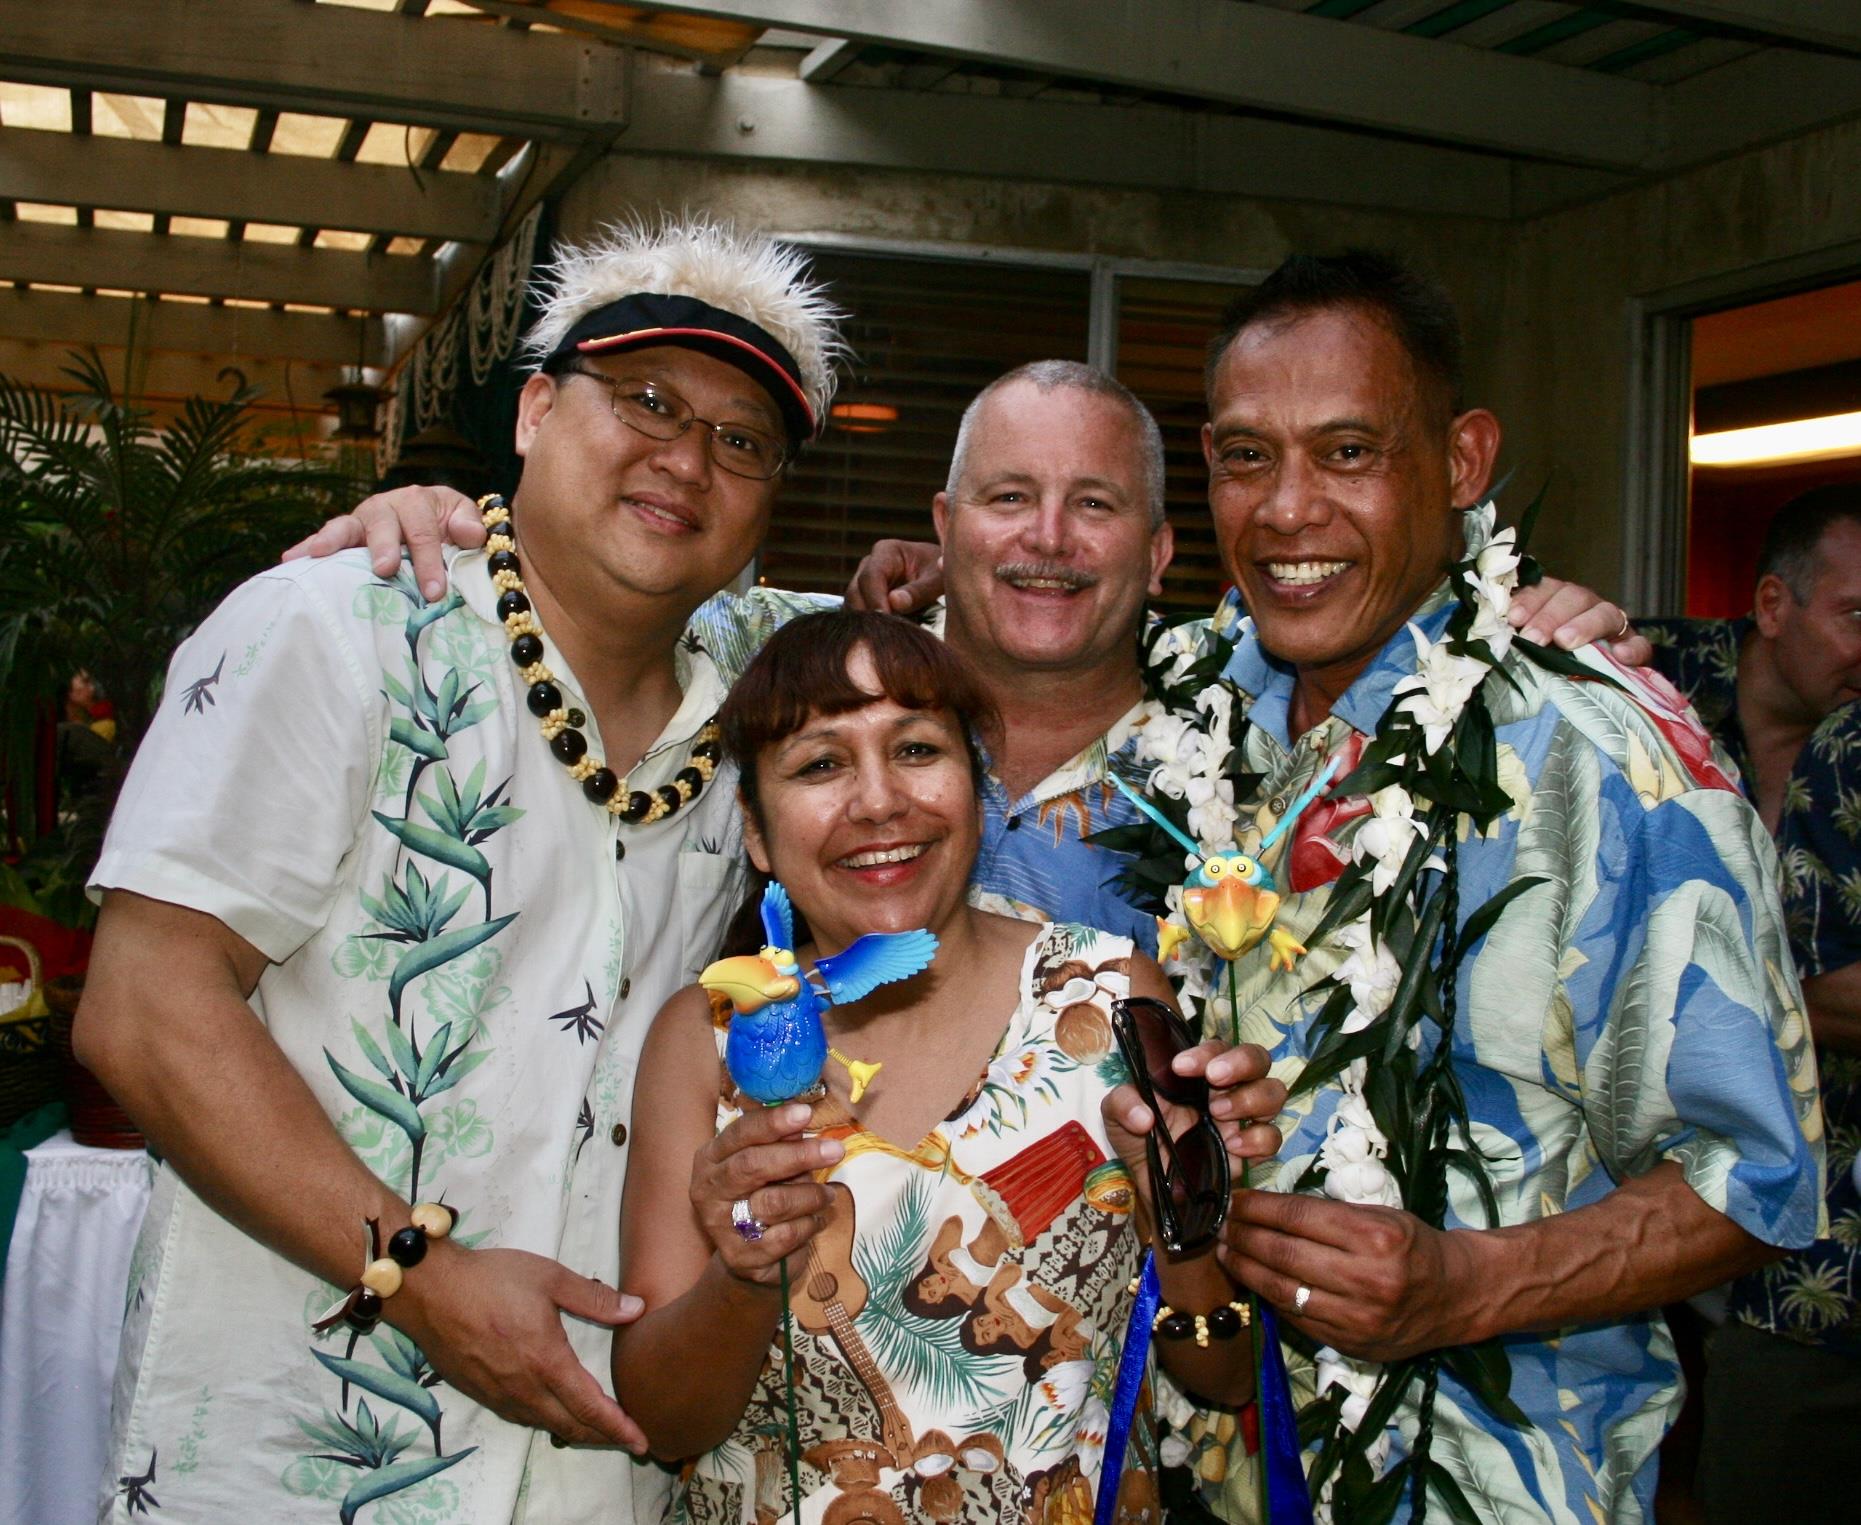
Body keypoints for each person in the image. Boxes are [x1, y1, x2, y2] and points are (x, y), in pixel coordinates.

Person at [72, 217, 848, 1523]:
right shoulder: (333, 628)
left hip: (596, 1471)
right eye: (648, 400)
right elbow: (145, 1010)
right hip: (298, 1447)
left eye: (741, 439)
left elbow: (1002, 639)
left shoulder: (777, 713)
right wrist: (420, 1280)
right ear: (537, 409)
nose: (686, 457)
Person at [1183, 253, 1823, 1523]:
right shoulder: (1202, 722)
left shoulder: (1599, 761)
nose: (1286, 509)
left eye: (1349, 451)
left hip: (1492, 1484)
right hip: (1215, 1469)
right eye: (1246, 457)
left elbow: (1755, 1177)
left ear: (1462, 463)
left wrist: (1468, 1286)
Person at [609, 608, 1285, 1521]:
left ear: (979, 785)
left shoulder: (1104, 998)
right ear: (759, 833)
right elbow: (666, 1422)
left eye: (917, 750)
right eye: (820, 763)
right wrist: (740, 1273)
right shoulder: (708, 1040)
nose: (880, 801)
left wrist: (1183, 1211)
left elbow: (1221, 1377)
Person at [1635, 486, 1861, 1525]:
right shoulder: (1639, 683)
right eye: (1855, 614)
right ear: (1772, 604)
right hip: (1627, 1180)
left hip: (1813, 1232)